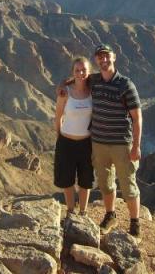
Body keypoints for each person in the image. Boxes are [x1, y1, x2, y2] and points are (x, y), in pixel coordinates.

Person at [58, 44, 143, 237]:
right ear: (96, 60)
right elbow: (79, 78)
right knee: (106, 183)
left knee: (128, 184)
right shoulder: (94, 80)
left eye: (107, 56)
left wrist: (136, 145)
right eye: (100, 57)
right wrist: (63, 85)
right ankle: (110, 215)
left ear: (114, 57)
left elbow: (137, 118)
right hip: (98, 143)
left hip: (122, 143)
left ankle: (135, 223)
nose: (103, 60)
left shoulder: (126, 85)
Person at [54, 56, 94, 216]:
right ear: (73, 72)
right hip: (66, 142)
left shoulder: (93, 92)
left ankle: (83, 212)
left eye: (84, 69)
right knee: (67, 180)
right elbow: (58, 116)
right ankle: (70, 211)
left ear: (89, 71)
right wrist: (59, 138)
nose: (81, 73)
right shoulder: (65, 92)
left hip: (87, 143)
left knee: (86, 180)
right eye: (77, 70)